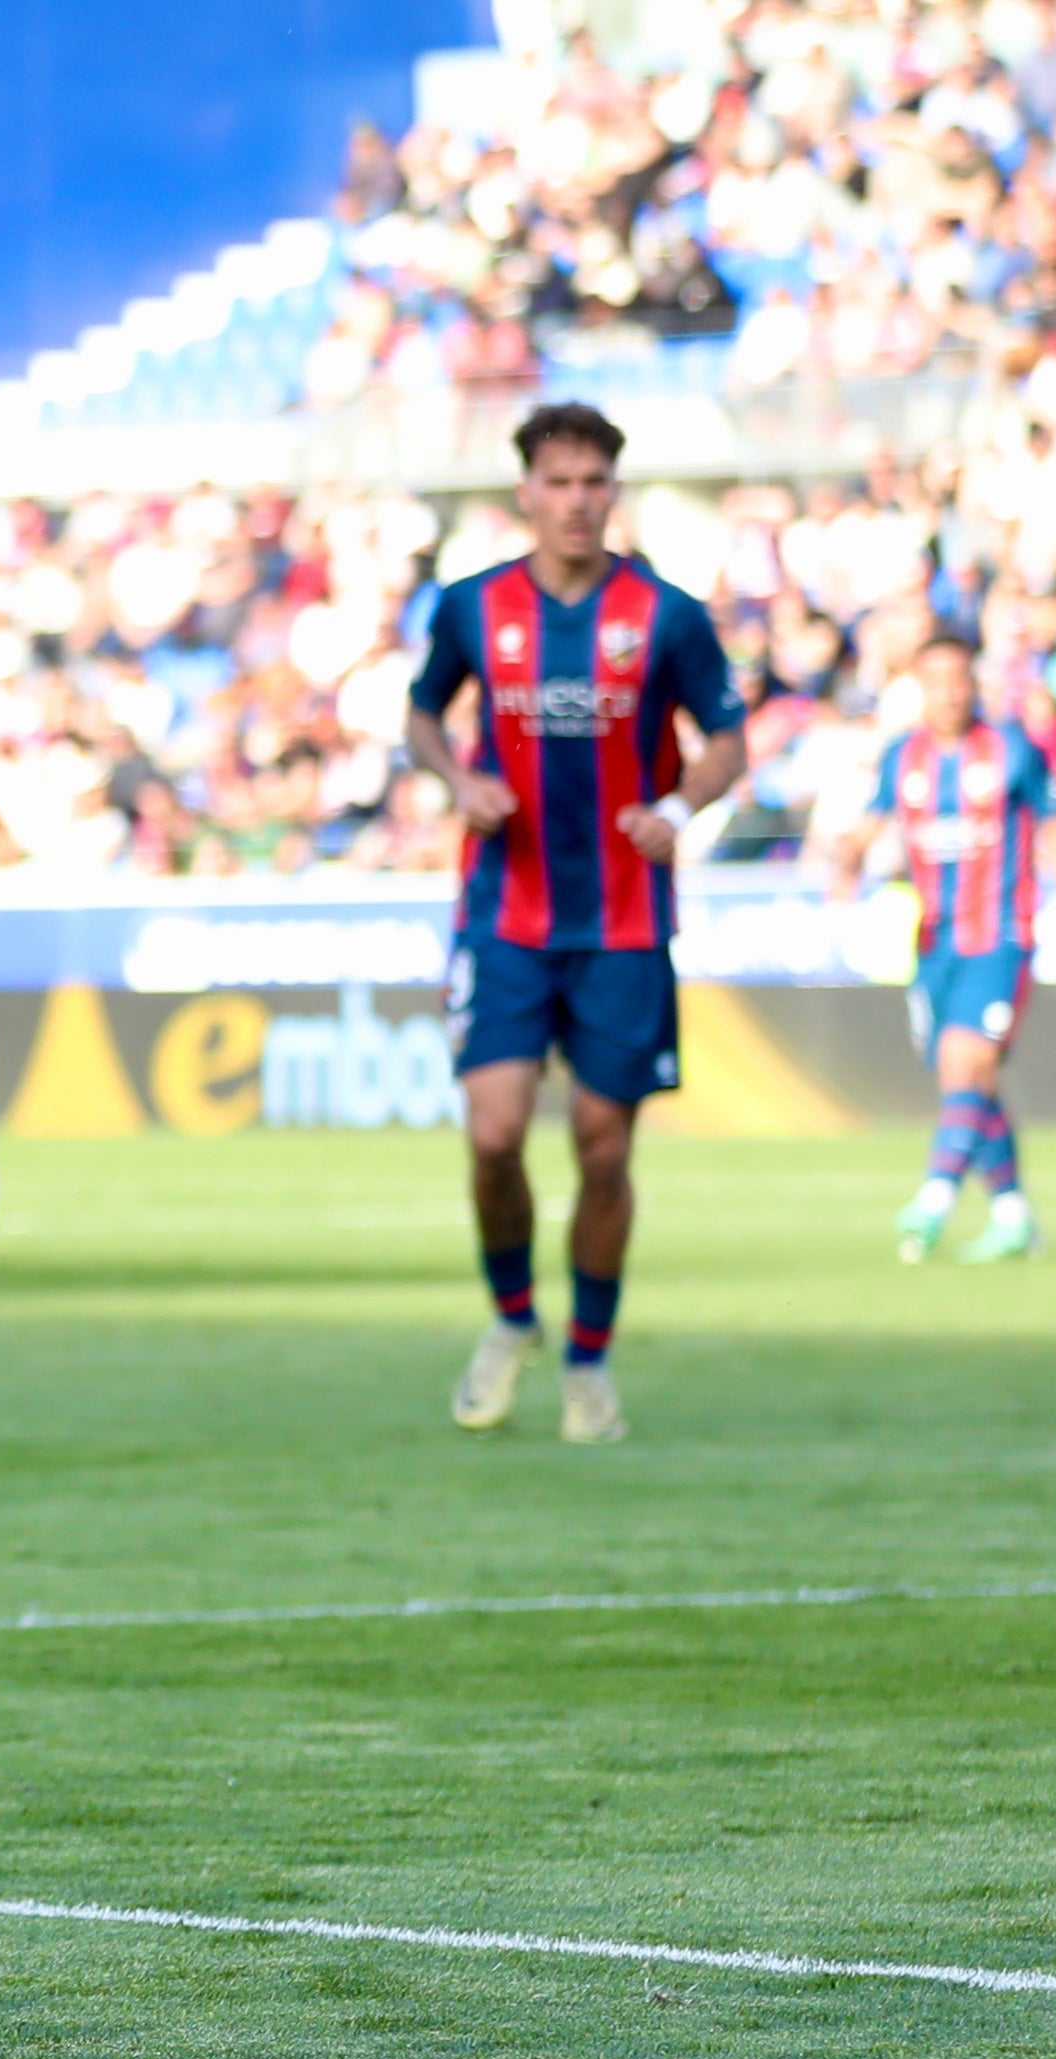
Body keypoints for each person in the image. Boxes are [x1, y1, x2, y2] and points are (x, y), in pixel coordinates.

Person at [406, 402, 748, 1444]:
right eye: (557, 482)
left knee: (605, 1150)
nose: (576, 501)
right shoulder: (471, 608)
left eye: (593, 481)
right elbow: (423, 713)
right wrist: (457, 777)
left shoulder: (668, 615)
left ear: (615, 490)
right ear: (525, 493)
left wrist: (679, 808)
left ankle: (589, 1364)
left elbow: (727, 738)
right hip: (504, 917)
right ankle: (513, 1320)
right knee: (495, 1133)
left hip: (625, 923)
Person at [838, 631, 1056, 1263]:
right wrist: (845, 861)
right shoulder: (901, 758)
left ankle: (931, 1203)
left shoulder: (1011, 749)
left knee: (968, 1065)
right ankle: (1014, 1217)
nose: (949, 693)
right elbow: (871, 827)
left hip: (1000, 940)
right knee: (967, 1082)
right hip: (933, 946)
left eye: (958, 680)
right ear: (919, 688)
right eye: (935, 682)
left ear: (974, 683)